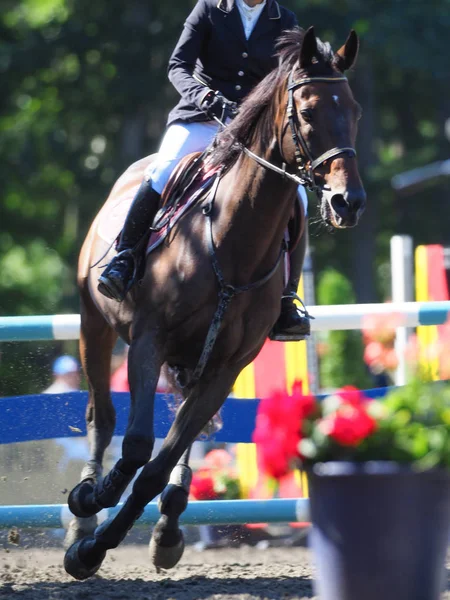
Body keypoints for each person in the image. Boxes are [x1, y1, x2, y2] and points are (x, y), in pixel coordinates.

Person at [98, 0, 310, 340]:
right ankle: (125, 259)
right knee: (162, 170)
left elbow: (291, 79)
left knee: (298, 193)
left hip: (253, 131)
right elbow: (177, 66)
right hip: (201, 118)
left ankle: (287, 300)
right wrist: (207, 97)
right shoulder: (209, 9)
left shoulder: (284, 20)